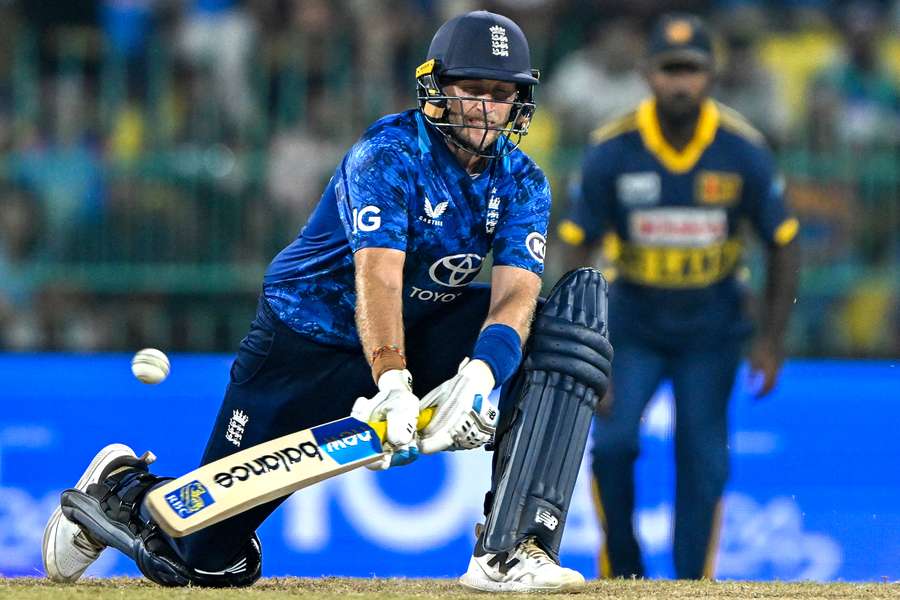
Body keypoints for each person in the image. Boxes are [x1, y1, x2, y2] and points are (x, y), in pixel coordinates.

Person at [43, 11, 612, 592]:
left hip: (422, 326)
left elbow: (517, 289)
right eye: (471, 91)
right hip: (304, 339)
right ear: (436, 89)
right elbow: (378, 278)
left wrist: (482, 374)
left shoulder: (523, 180)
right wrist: (393, 382)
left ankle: (512, 550)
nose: (486, 109)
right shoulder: (388, 154)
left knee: (559, 327)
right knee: (204, 562)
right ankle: (122, 489)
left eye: (501, 94)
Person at [557, 14, 799, 579]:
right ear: (647, 74)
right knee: (612, 446)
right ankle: (625, 572)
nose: (681, 83)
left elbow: (784, 244)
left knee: (703, 460)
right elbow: (574, 248)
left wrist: (771, 339)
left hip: (712, 330)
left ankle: (692, 585)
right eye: (670, 70)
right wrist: (583, 344)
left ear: (712, 76)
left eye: (691, 70)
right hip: (632, 324)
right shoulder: (613, 149)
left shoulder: (743, 150)